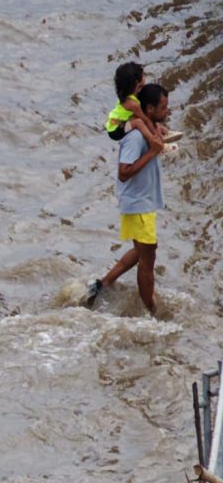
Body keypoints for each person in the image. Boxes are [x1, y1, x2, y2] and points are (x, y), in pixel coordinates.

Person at [88, 82, 170, 313]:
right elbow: (124, 172)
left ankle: (102, 285)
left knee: (141, 251)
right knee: (147, 260)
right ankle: (152, 312)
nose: (167, 111)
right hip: (137, 203)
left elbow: (153, 137)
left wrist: (159, 135)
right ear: (150, 109)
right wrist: (153, 151)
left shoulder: (148, 127)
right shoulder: (135, 137)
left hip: (142, 201)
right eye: (163, 108)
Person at [107, 60, 144, 143]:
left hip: (115, 124)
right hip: (115, 131)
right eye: (143, 75)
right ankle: (154, 141)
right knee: (139, 122)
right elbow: (145, 119)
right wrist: (156, 133)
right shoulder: (133, 104)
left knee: (135, 118)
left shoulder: (125, 95)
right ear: (137, 82)